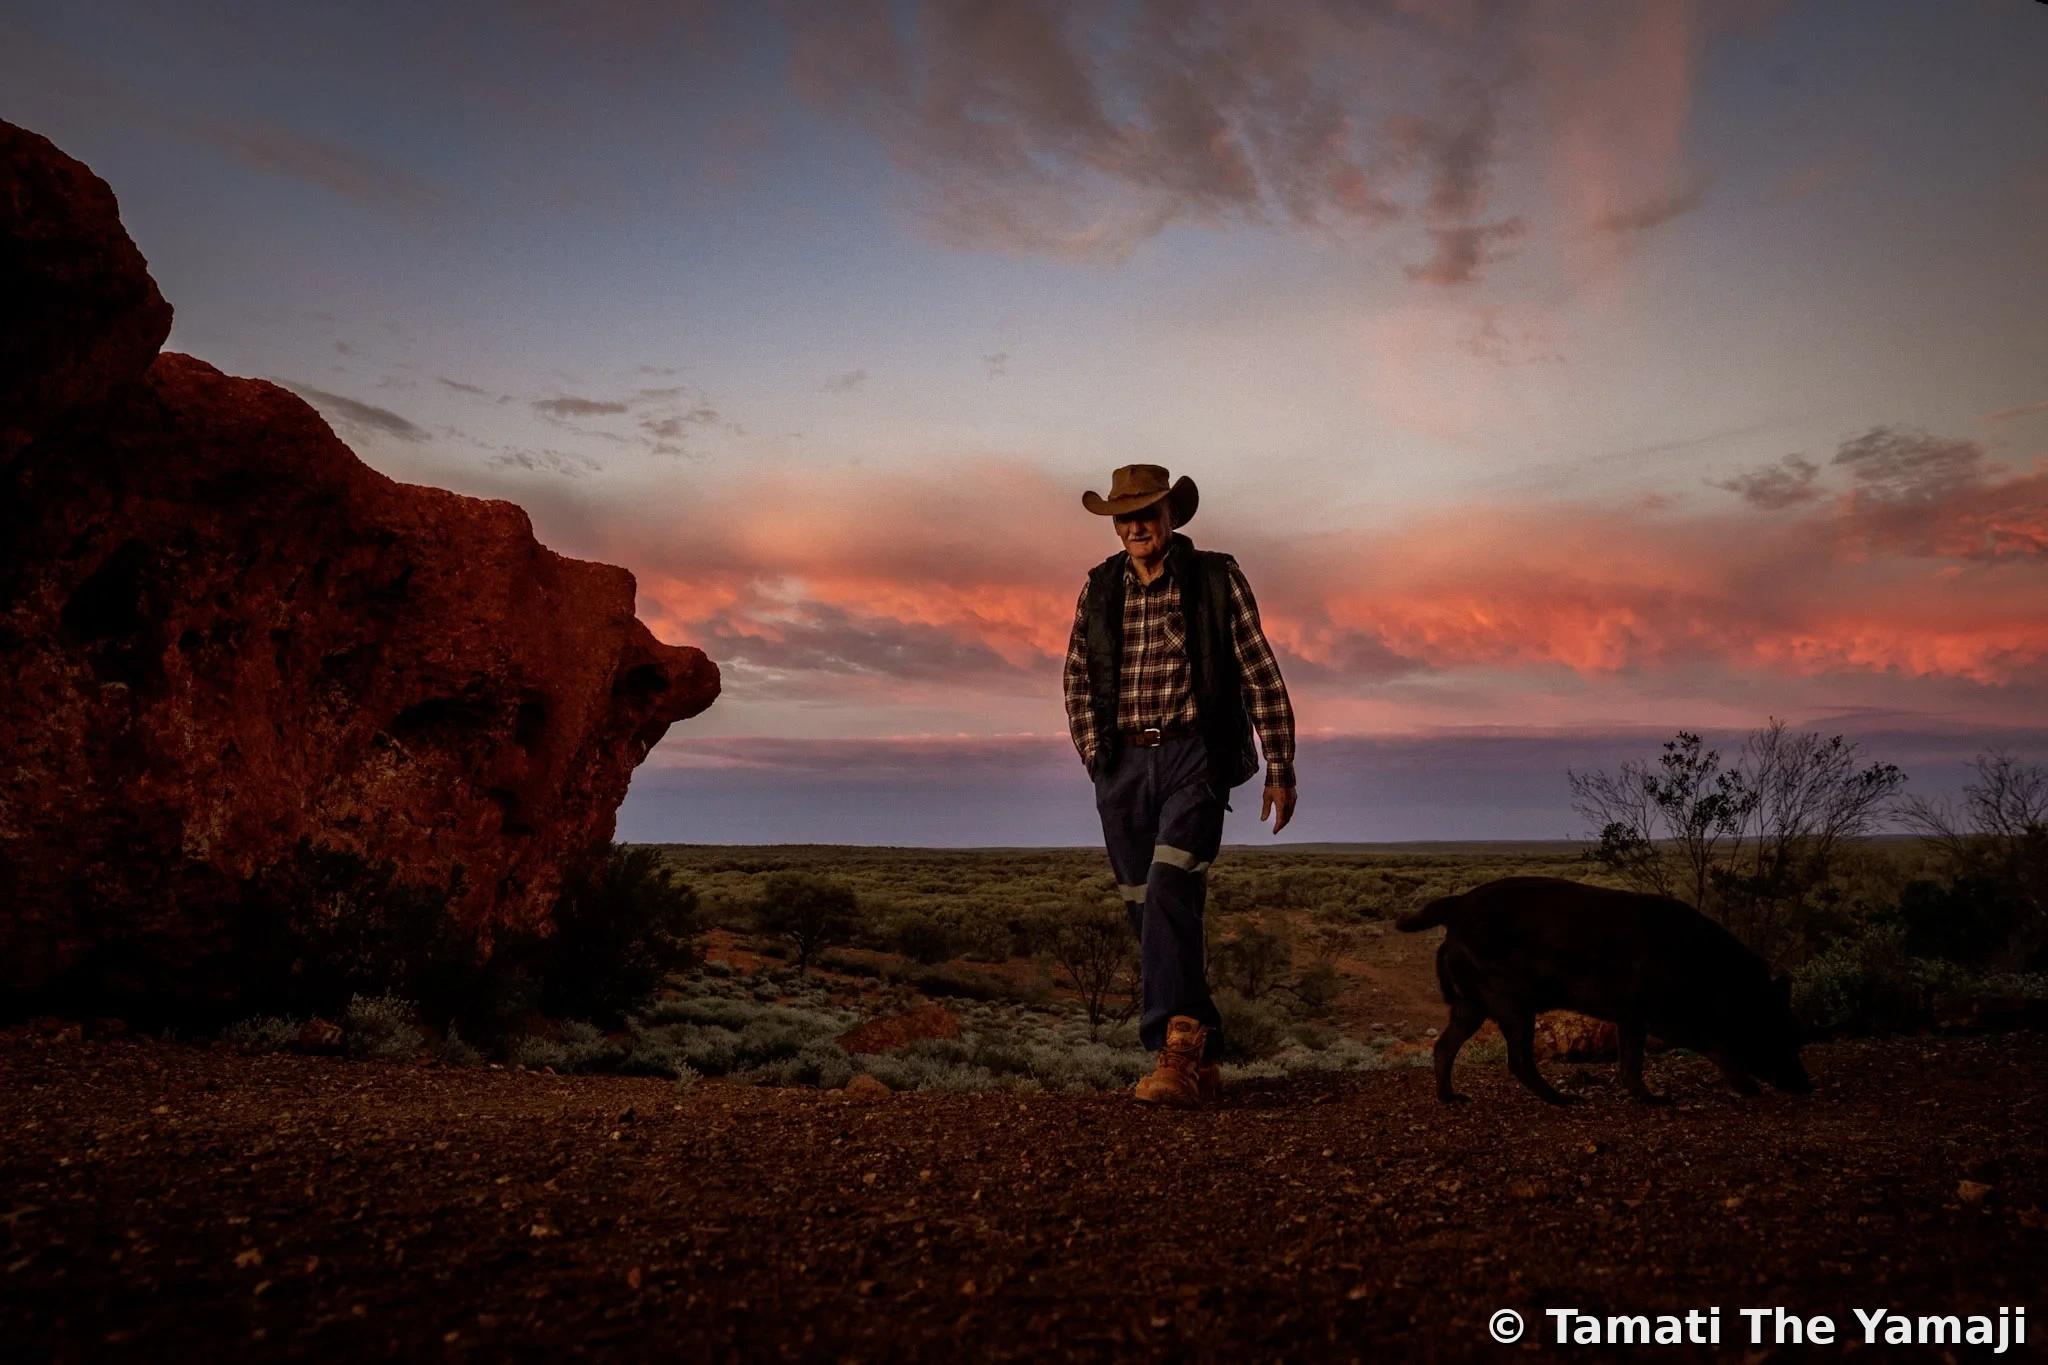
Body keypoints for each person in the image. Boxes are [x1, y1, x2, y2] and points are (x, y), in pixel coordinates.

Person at [1061, 464, 1297, 1108]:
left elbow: (1259, 671)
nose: (1135, 524)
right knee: (1150, 906)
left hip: (1197, 754)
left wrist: (1280, 763)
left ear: (1171, 517)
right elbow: (1077, 676)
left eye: (1148, 512)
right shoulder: (1099, 587)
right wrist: (1094, 754)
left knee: (1169, 884)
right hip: (1122, 764)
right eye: (1124, 515)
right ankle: (1202, 1046)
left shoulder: (1217, 577)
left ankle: (1170, 1049)